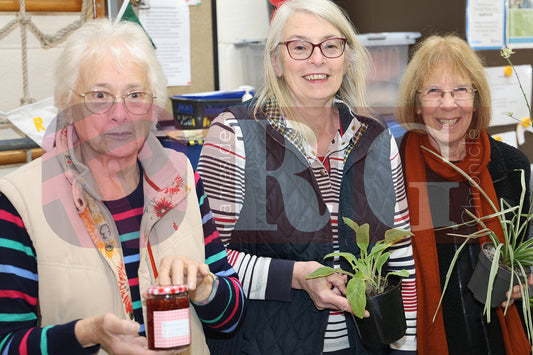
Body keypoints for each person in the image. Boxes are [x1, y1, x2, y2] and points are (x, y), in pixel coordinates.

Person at [0, 19, 244, 355]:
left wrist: (206, 289)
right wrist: (85, 334)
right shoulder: (19, 200)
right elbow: (6, 343)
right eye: (100, 96)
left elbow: (232, 319)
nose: (120, 113)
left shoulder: (181, 177)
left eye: (135, 95)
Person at [197, 0, 417, 353]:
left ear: (346, 57)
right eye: (299, 47)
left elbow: (400, 254)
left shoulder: (376, 138)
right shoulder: (233, 135)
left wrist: (408, 347)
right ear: (275, 61)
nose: (318, 59)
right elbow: (211, 260)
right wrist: (296, 277)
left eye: (331, 45)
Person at [396, 34, 532, 354]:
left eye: (460, 90)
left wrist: (525, 278)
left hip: (498, 342)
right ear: (416, 103)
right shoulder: (392, 168)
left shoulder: (511, 168)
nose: (448, 103)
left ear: (476, 98)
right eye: (433, 91)